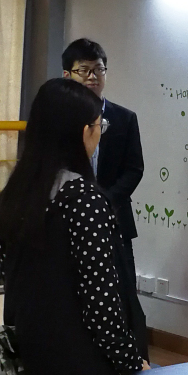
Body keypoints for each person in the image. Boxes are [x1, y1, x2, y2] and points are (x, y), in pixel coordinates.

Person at [0, 78, 149, 375]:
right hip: (82, 361)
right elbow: (101, 302)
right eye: (99, 125)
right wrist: (132, 362)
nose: (100, 133)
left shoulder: (19, 191)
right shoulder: (84, 199)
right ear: (83, 132)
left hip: (33, 350)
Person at [62, 38, 144, 284]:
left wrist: (104, 202)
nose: (93, 76)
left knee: (122, 289)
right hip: (69, 219)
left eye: (99, 69)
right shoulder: (58, 117)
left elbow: (134, 169)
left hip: (115, 217)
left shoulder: (124, 118)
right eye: (84, 70)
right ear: (67, 75)